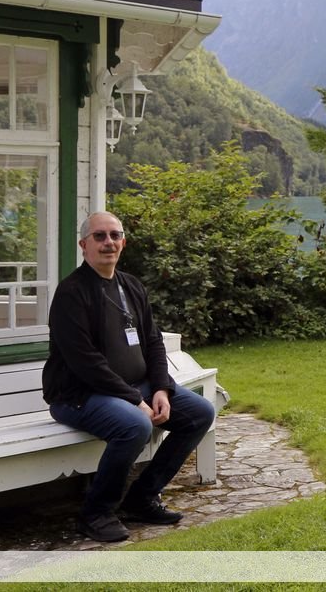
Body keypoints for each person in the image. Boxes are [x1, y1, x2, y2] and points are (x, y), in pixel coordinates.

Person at [42, 211, 215, 542]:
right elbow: (85, 363)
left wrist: (162, 389)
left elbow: (152, 341)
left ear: (124, 242)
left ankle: (142, 497)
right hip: (79, 394)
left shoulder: (131, 286)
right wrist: (135, 399)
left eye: (115, 235)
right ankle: (96, 513)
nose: (109, 242)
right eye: (100, 236)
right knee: (135, 425)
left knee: (199, 413)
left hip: (136, 387)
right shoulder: (71, 294)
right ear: (83, 245)